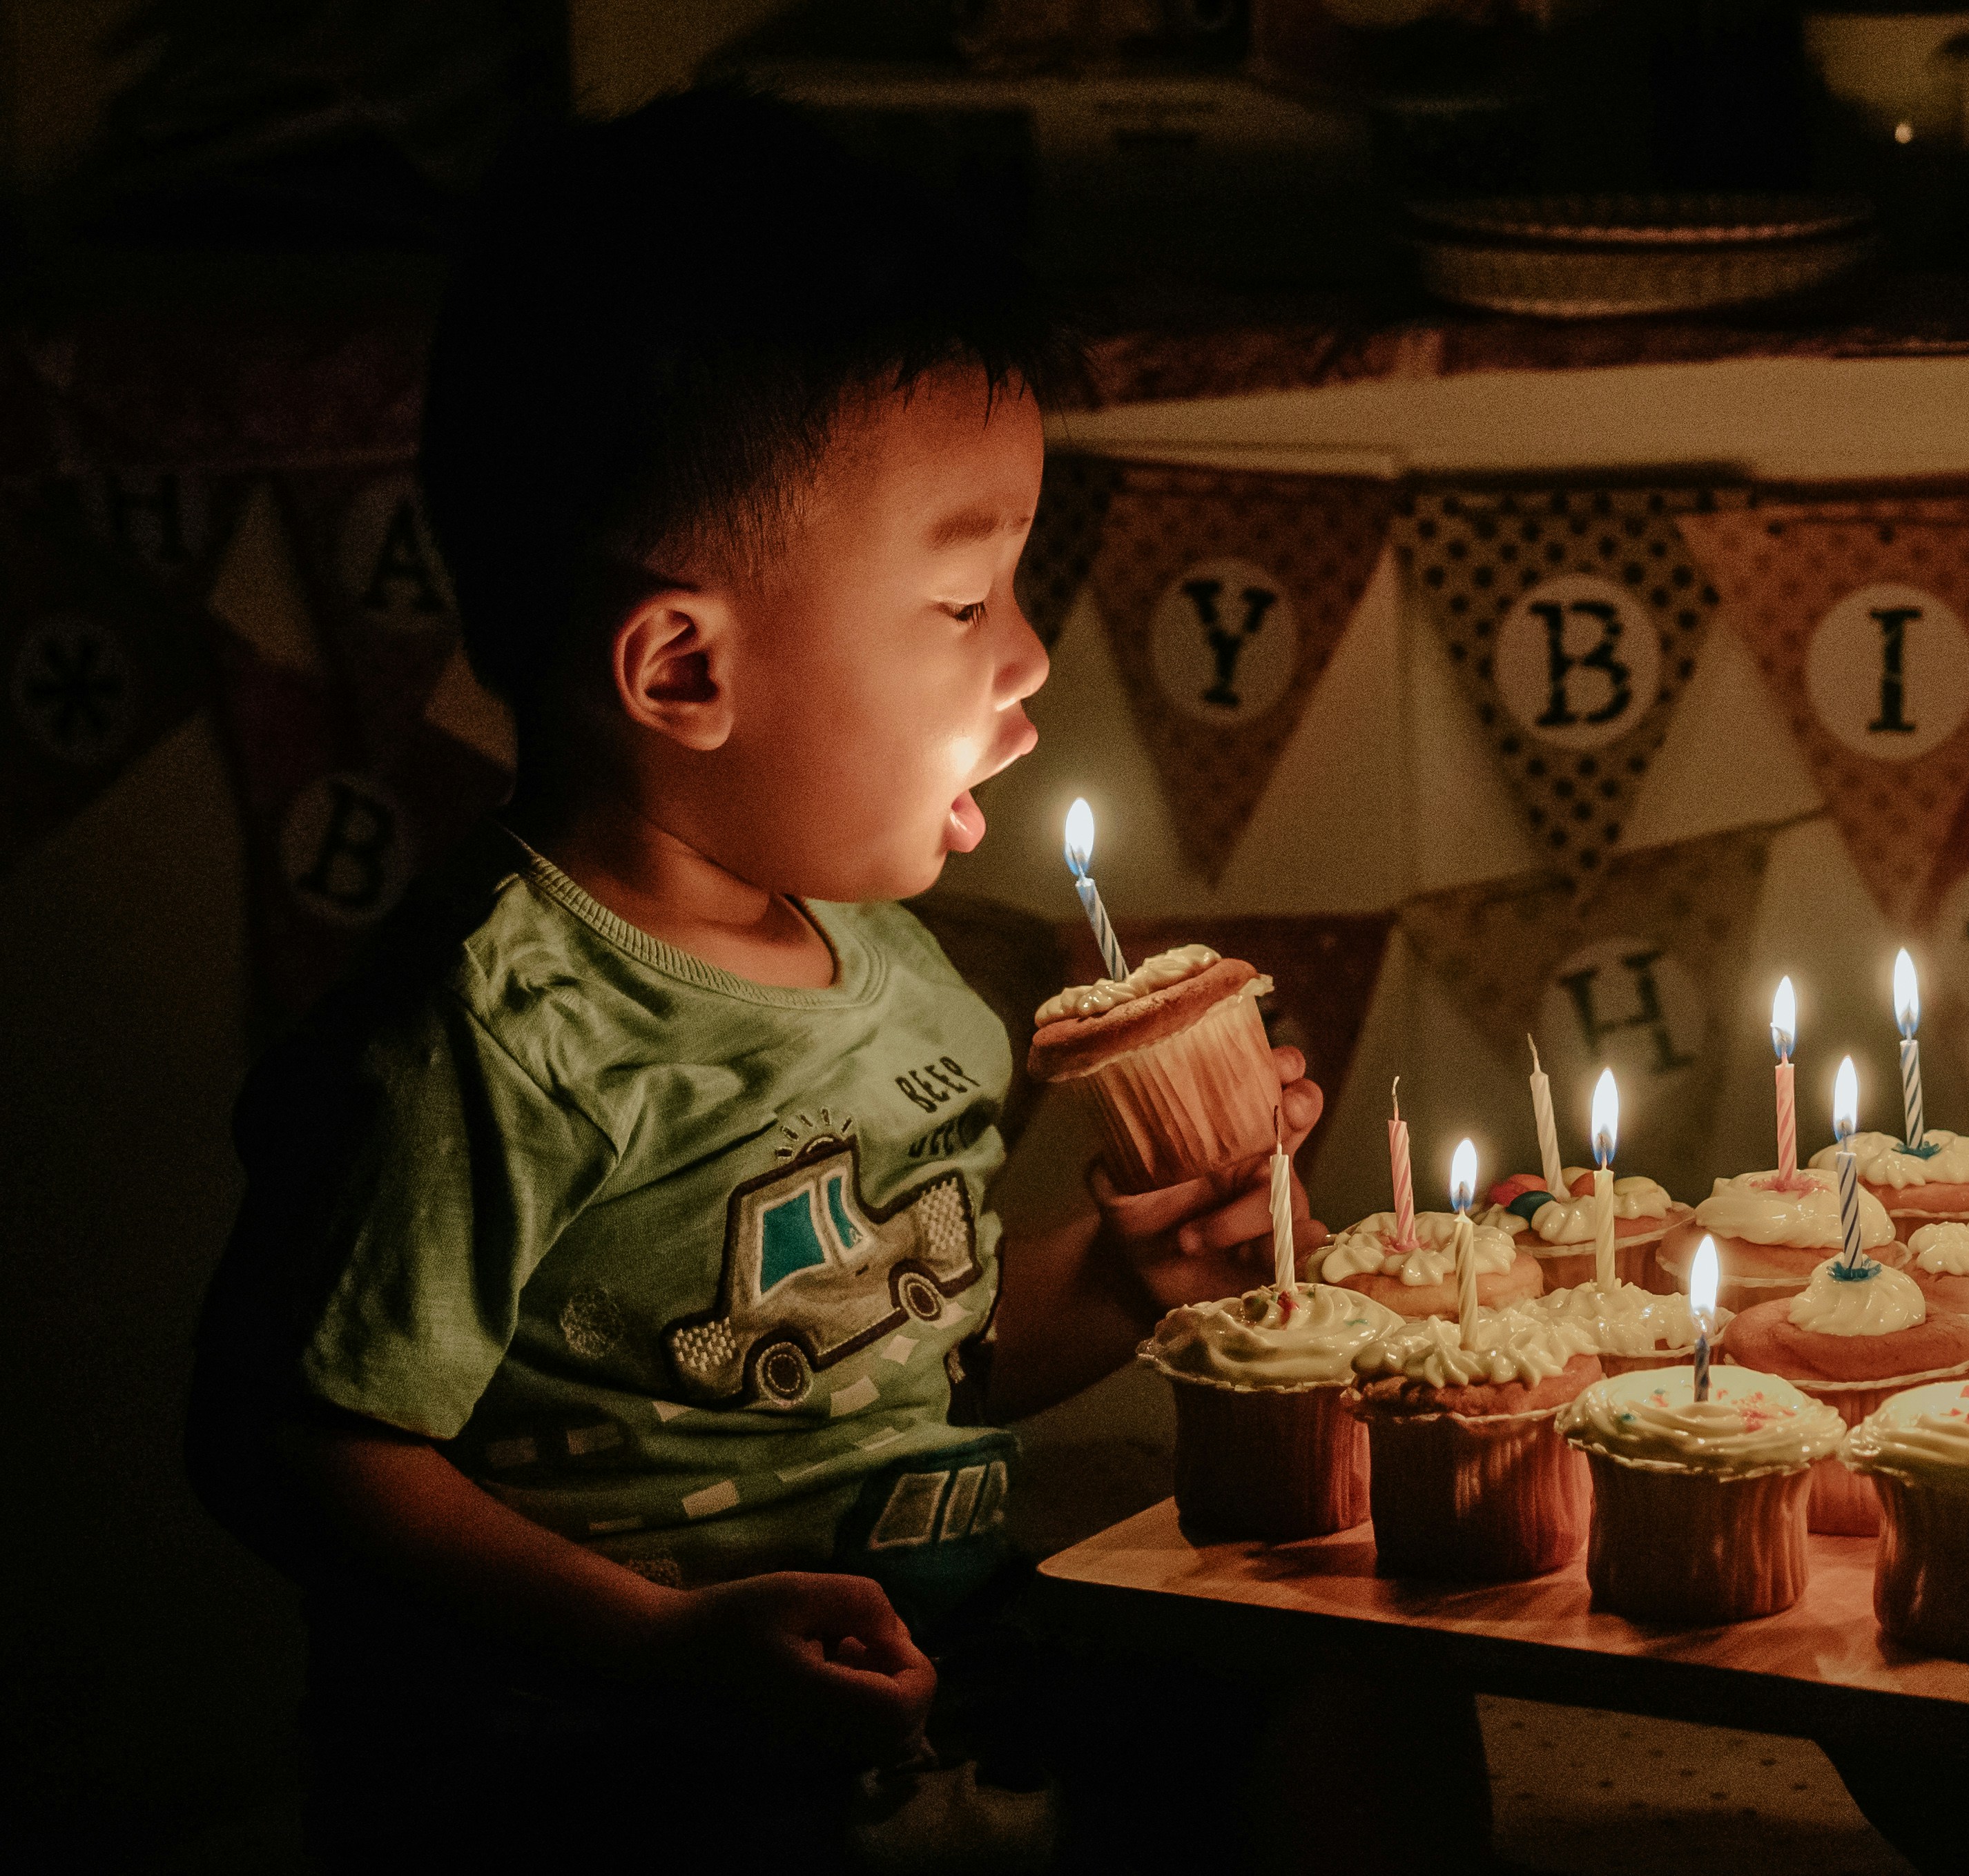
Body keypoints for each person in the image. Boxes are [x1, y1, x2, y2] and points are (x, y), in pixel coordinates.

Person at [183, 88, 1419, 1875]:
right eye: (964, 601)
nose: (1029, 654)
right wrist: (660, 1643)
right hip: (601, 1751)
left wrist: (1131, 1270)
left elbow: (910, 1357)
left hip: (925, 1657)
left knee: (1343, 1672)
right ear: (684, 670)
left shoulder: (891, 968)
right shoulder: (490, 1035)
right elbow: (296, 1447)